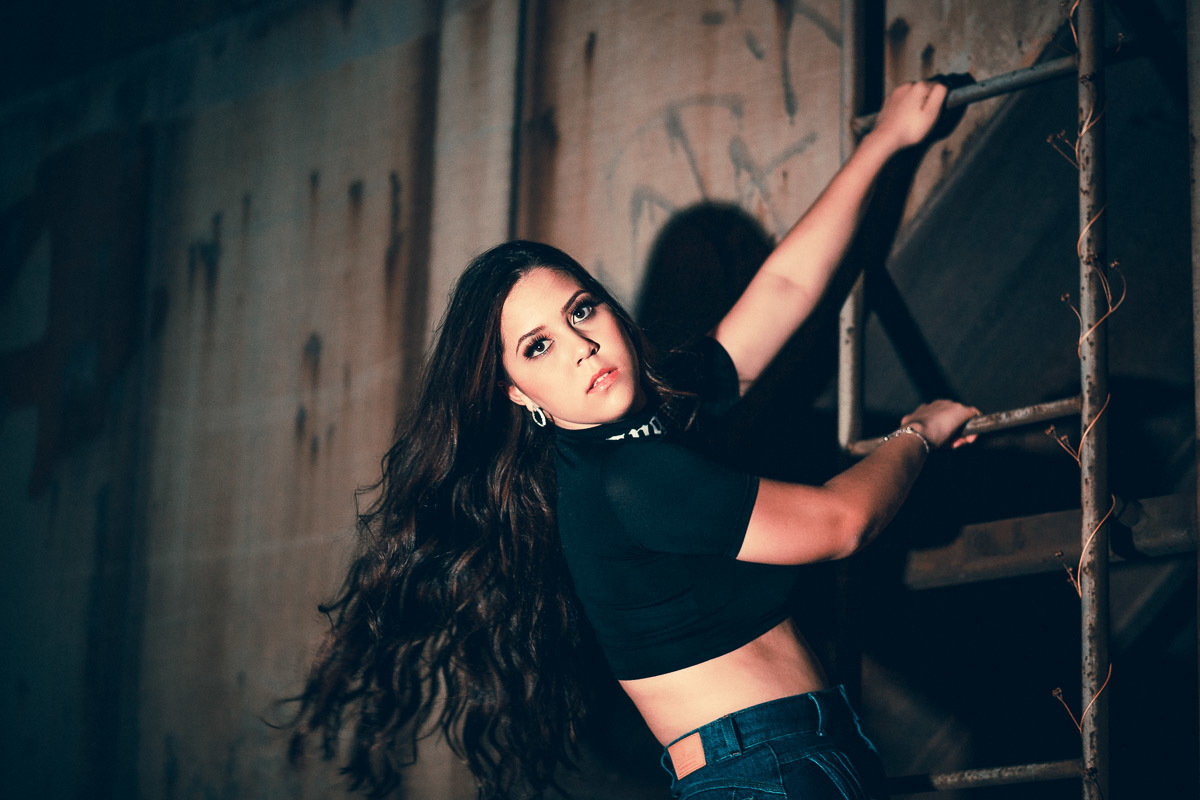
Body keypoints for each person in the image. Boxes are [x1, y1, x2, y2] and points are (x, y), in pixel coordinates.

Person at [286, 79, 978, 799]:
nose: (581, 348)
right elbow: (841, 524)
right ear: (516, 393)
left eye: (582, 310)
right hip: (763, 772)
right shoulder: (628, 478)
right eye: (538, 347)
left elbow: (785, 290)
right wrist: (919, 432)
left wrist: (884, 141)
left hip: (800, 754)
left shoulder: (650, 418)